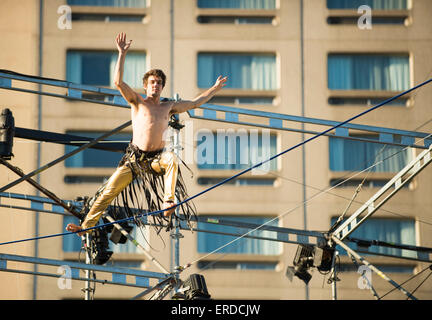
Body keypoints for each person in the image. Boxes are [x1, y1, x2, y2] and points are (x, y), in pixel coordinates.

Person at [66, 32, 227, 236]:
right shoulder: (137, 102)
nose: (155, 85)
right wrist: (121, 54)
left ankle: (168, 200)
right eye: (152, 82)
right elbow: (117, 82)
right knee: (109, 191)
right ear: (145, 85)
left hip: (155, 160)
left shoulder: (169, 107)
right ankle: (87, 226)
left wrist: (214, 88)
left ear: (162, 87)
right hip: (134, 160)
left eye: (159, 82)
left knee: (171, 159)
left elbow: (195, 103)